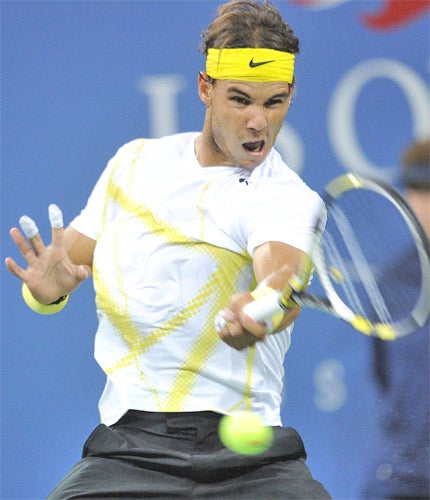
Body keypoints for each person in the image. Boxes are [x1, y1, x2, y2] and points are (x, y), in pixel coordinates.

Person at [5, 1, 330, 498]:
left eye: (275, 102)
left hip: (253, 459)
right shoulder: (133, 165)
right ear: (206, 88)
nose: (258, 123)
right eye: (240, 100)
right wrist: (46, 292)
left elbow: (281, 278)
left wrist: (263, 309)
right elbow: (65, 264)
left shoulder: (285, 197)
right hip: (129, 448)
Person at [362, 139, 430, 499]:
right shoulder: (393, 283)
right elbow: (388, 382)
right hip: (400, 481)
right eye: (416, 189)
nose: (423, 203)